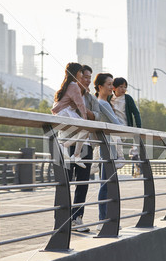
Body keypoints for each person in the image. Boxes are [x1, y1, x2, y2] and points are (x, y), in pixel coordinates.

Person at [65, 64, 102, 232]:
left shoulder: (90, 97)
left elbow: (97, 116)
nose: (87, 80)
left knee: (83, 183)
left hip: (85, 144)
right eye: (84, 77)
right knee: (64, 182)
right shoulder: (66, 92)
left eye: (89, 77)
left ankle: (76, 219)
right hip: (66, 142)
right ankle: (62, 219)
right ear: (76, 77)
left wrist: (83, 109)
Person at [94, 73, 124, 229]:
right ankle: (104, 220)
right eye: (109, 84)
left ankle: (106, 219)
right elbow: (115, 122)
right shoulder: (103, 104)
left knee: (107, 184)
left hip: (106, 147)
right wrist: (129, 130)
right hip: (108, 148)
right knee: (107, 185)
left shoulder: (103, 103)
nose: (112, 87)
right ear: (100, 87)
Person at [51, 62, 88, 169]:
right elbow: (80, 103)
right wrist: (85, 118)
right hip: (65, 113)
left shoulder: (66, 85)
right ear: (76, 72)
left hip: (61, 113)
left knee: (84, 131)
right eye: (81, 72)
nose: (82, 74)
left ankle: (75, 155)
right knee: (85, 129)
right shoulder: (74, 86)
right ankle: (71, 151)